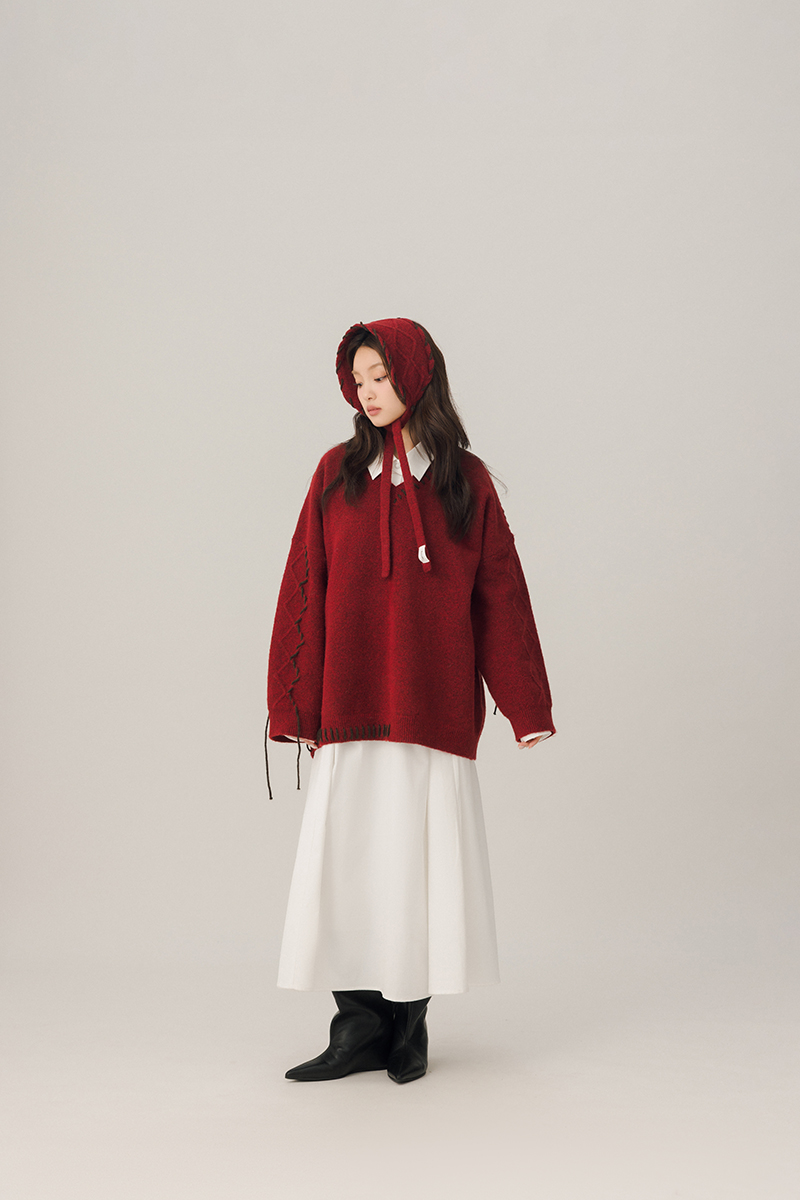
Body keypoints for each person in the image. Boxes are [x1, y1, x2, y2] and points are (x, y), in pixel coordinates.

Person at [266, 317, 554, 1084]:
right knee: (349, 870)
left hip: (431, 712)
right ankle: (358, 1028)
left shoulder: (467, 482)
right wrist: (294, 705)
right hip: (350, 708)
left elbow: (500, 597)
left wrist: (525, 706)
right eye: (358, 381)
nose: (367, 393)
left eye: (380, 377)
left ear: (417, 376)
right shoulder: (335, 475)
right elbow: (304, 587)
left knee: (415, 874)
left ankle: (408, 1029)